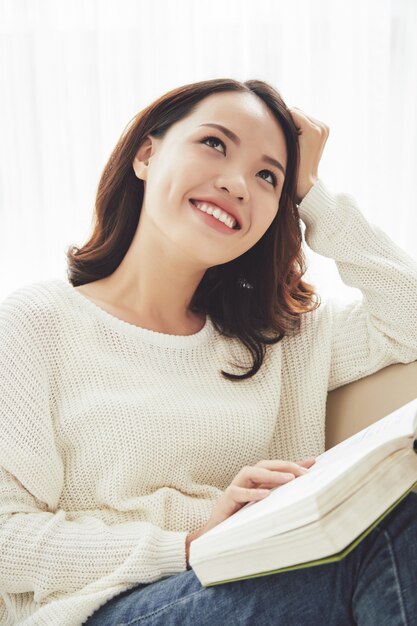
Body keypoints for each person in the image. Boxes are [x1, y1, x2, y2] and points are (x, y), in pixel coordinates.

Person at [1, 78, 417, 626]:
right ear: (147, 155)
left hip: (260, 574)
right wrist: (190, 542)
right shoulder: (34, 325)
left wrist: (312, 191)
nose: (238, 183)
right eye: (215, 144)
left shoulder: (280, 338)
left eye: (269, 176)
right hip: (101, 607)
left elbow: (408, 316)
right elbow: (8, 540)